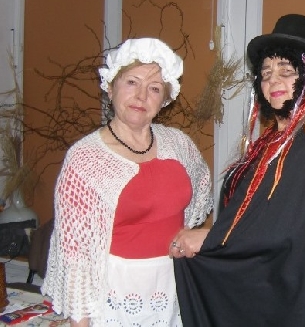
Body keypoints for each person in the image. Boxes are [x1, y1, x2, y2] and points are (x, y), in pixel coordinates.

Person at [172, 14, 305, 326]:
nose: (273, 81)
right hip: (269, 285)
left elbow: (290, 225)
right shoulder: (272, 139)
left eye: (286, 71)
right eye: (266, 73)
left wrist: (212, 239)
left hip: (290, 296)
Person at [42, 37, 213, 326]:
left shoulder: (180, 145)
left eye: (154, 88)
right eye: (132, 82)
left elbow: (198, 207)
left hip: (175, 287)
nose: (141, 96)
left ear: (165, 99)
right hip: (116, 296)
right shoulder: (85, 159)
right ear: (111, 87)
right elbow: (75, 261)